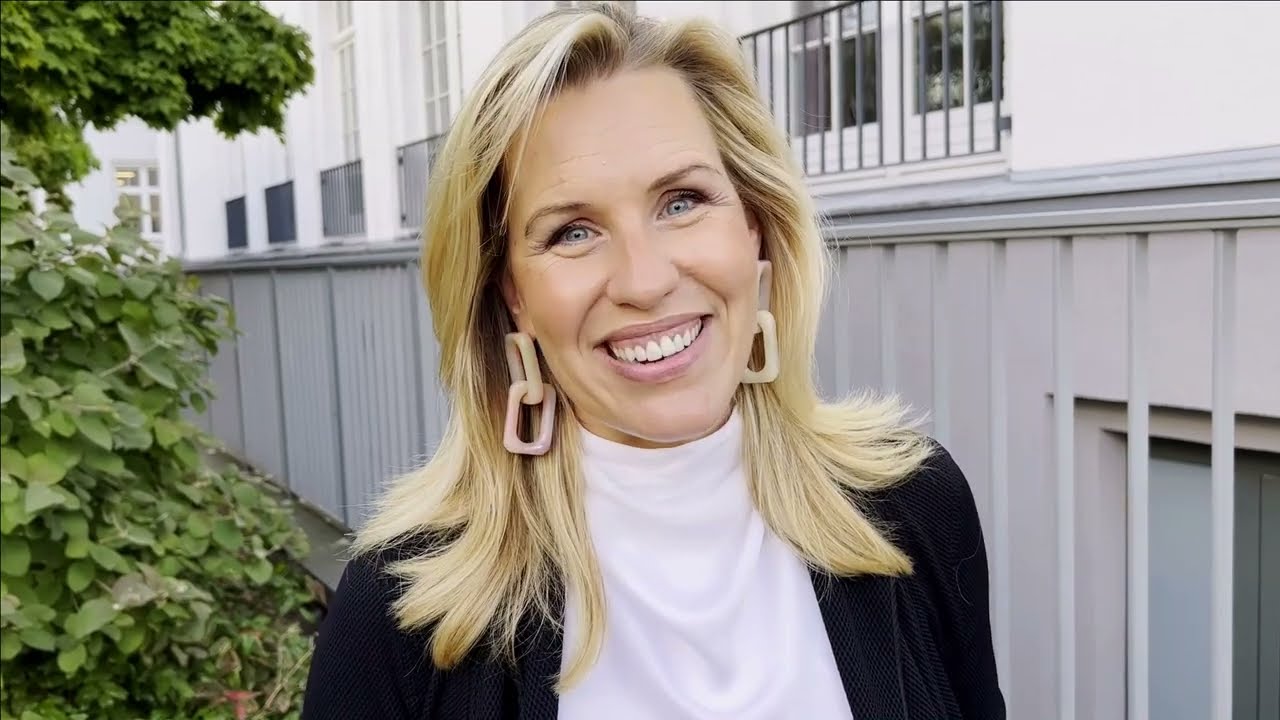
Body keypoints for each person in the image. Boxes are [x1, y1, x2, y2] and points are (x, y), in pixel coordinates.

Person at [302, 4, 1004, 719]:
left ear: (755, 227)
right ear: (513, 293)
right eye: (572, 232)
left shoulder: (916, 505)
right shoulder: (398, 614)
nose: (645, 281)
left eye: (681, 201)